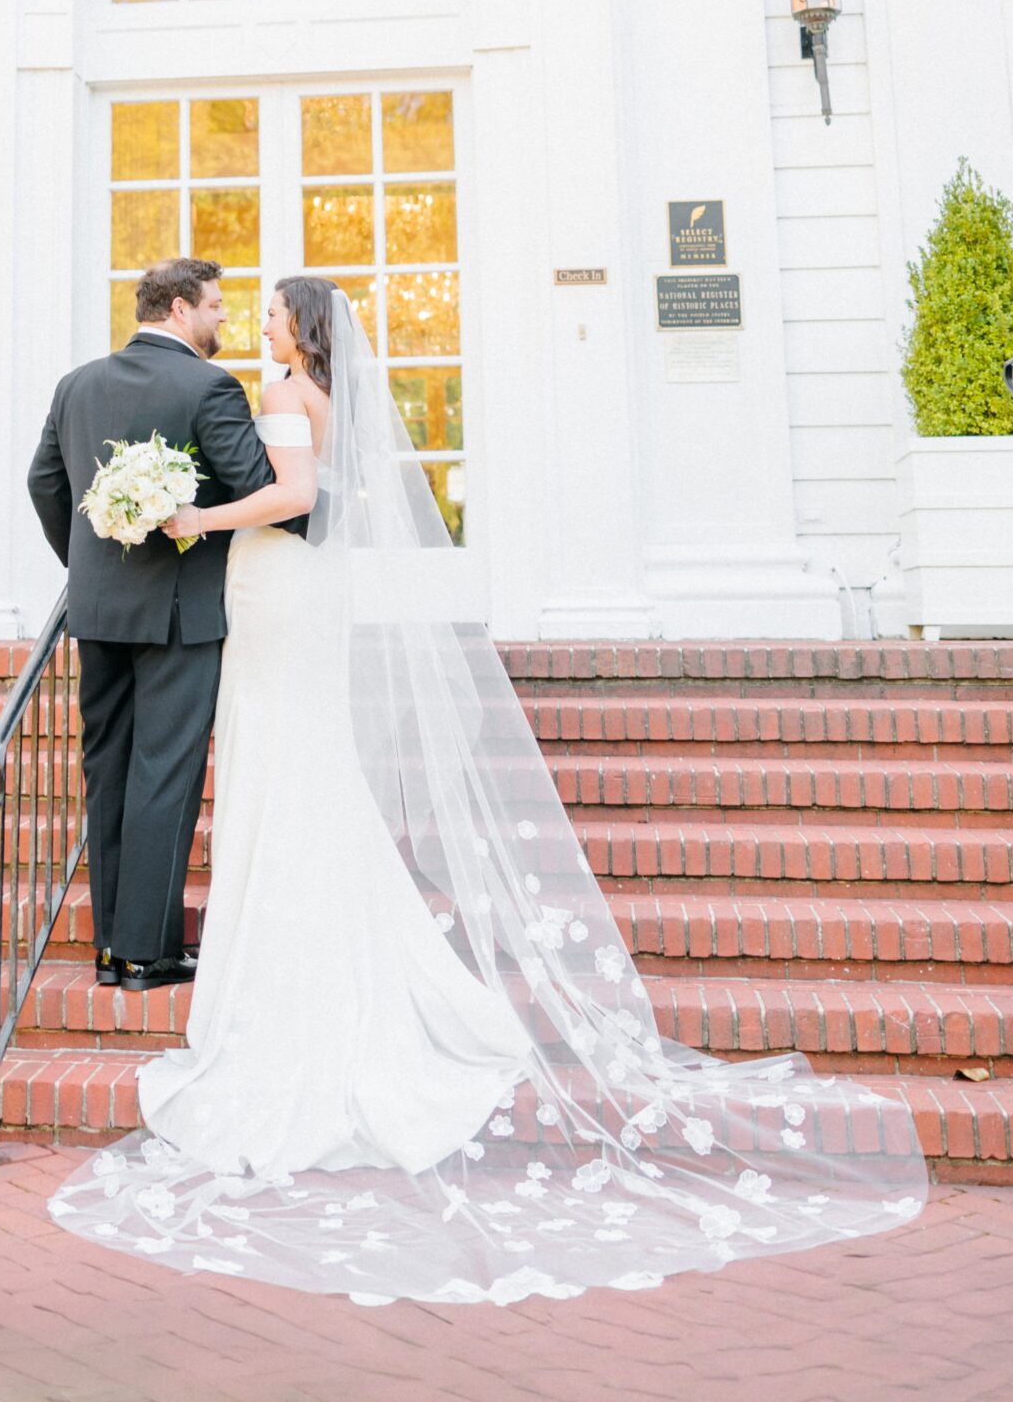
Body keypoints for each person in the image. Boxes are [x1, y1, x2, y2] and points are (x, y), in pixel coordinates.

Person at [48, 276, 929, 1307]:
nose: (261, 319)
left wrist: (194, 512)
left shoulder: (283, 389)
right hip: (291, 590)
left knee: (281, 759)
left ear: (301, 327)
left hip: (273, 584)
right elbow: (326, 493)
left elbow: (292, 498)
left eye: (277, 309)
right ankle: (311, 929)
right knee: (296, 760)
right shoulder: (308, 387)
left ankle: (283, 951)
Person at [26, 256, 299, 991]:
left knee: (108, 769)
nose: (222, 319)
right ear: (179, 308)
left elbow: (44, 483)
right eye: (213, 306)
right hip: (180, 613)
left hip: (99, 611)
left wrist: (87, 566)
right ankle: (146, 952)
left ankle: (114, 946)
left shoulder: (76, 384)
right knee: (163, 778)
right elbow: (256, 486)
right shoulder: (208, 386)